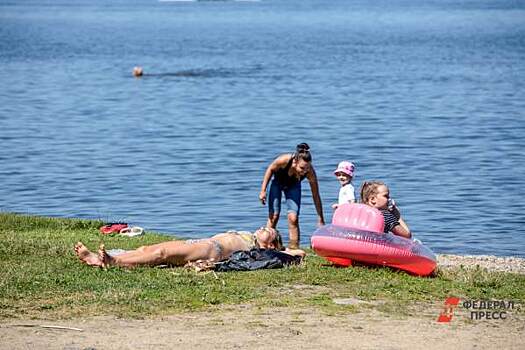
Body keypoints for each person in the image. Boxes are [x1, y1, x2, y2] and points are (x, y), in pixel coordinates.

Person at [74, 226, 305, 268]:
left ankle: (113, 261)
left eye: (270, 231)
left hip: (210, 249)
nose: (264, 227)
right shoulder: (249, 236)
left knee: (161, 254)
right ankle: (98, 258)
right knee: (149, 248)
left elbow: (299, 253)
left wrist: (282, 250)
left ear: (271, 243)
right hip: (200, 242)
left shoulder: (262, 248)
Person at [259, 143, 325, 249]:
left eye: (308, 168)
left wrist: (320, 218)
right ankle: (265, 246)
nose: (305, 171)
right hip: (277, 184)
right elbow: (270, 169)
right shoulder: (284, 160)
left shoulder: (309, 172)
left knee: (293, 218)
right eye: (302, 168)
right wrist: (263, 190)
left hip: (293, 186)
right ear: (295, 162)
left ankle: (294, 247)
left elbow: (316, 196)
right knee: (274, 216)